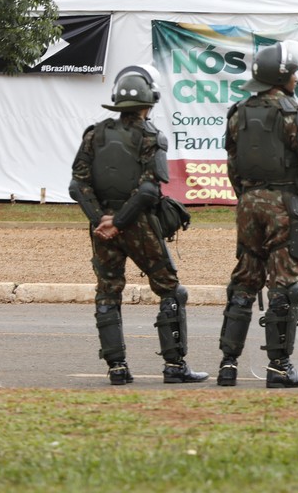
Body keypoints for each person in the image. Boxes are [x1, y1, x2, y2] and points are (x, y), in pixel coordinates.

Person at [69, 65, 208, 385]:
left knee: (107, 292)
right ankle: (175, 366)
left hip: (102, 228)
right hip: (139, 224)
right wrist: (119, 222)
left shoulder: (95, 134)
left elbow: (78, 186)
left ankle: (117, 368)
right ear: (151, 101)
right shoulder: (151, 137)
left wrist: (102, 221)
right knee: (171, 290)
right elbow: (148, 190)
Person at [216, 40, 298, 388]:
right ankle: (279, 368)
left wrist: (248, 199)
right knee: (285, 285)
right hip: (285, 204)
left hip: (248, 204)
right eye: (293, 72)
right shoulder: (293, 113)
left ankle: (227, 365)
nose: (297, 76)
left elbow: (233, 165)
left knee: (244, 280)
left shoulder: (238, 112)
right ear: (280, 78)